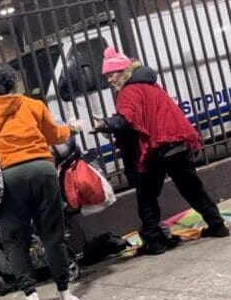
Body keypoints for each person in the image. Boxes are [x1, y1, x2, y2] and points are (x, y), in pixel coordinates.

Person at [0, 63, 82, 300]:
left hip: (9, 178)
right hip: (43, 170)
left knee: (15, 240)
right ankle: (65, 297)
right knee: (52, 235)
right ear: (14, 84)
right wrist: (71, 128)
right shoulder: (32, 105)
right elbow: (55, 135)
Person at [92, 46, 229, 254]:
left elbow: (126, 120)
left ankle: (154, 242)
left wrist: (104, 124)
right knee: (193, 188)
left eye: (111, 74)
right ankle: (218, 225)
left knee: (146, 197)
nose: (109, 79)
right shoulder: (150, 83)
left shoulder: (128, 91)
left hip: (158, 147)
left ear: (123, 71)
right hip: (178, 141)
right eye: (107, 75)